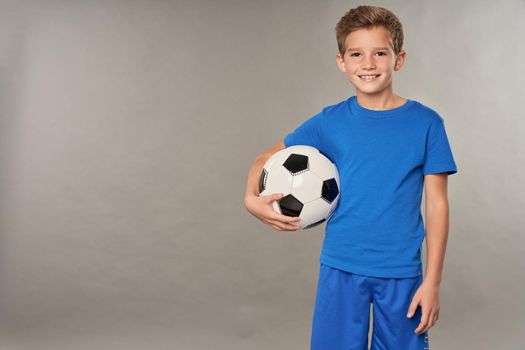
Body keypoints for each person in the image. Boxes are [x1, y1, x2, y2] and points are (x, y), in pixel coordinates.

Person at [244, 5, 458, 350]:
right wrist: (250, 198)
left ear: (398, 59)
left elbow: (437, 204)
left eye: (379, 53)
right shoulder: (330, 123)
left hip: (401, 271)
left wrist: (432, 282)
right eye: (356, 54)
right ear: (342, 62)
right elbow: (263, 159)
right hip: (341, 265)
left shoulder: (427, 123)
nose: (368, 64)